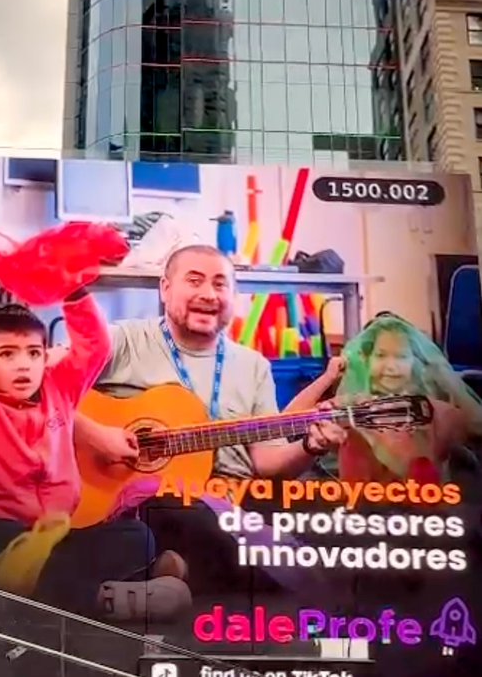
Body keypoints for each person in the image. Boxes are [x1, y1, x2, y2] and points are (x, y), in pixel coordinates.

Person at [72, 244, 347, 597]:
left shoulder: (252, 366)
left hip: (232, 504)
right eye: (195, 280)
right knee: (174, 506)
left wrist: (311, 445)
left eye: (220, 284)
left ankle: (171, 576)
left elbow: (266, 462)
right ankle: (183, 575)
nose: (208, 294)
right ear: (165, 288)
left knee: (337, 530)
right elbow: (44, 390)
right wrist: (98, 435)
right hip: (146, 503)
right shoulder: (124, 340)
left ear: (234, 295)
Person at [0, 256, 187, 619]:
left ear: (45, 357)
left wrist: (71, 287)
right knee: (3, 557)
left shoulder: (59, 390)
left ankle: (123, 575)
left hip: (55, 534)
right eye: (6, 354)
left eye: (33, 353)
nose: (22, 364)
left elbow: (95, 346)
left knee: (134, 536)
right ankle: (102, 599)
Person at [335, 313, 482, 484]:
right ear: (366, 359)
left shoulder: (438, 414)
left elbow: (476, 426)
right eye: (381, 355)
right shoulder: (351, 412)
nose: (391, 366)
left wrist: (443, 374)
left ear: (415, 361)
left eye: (401, 356)